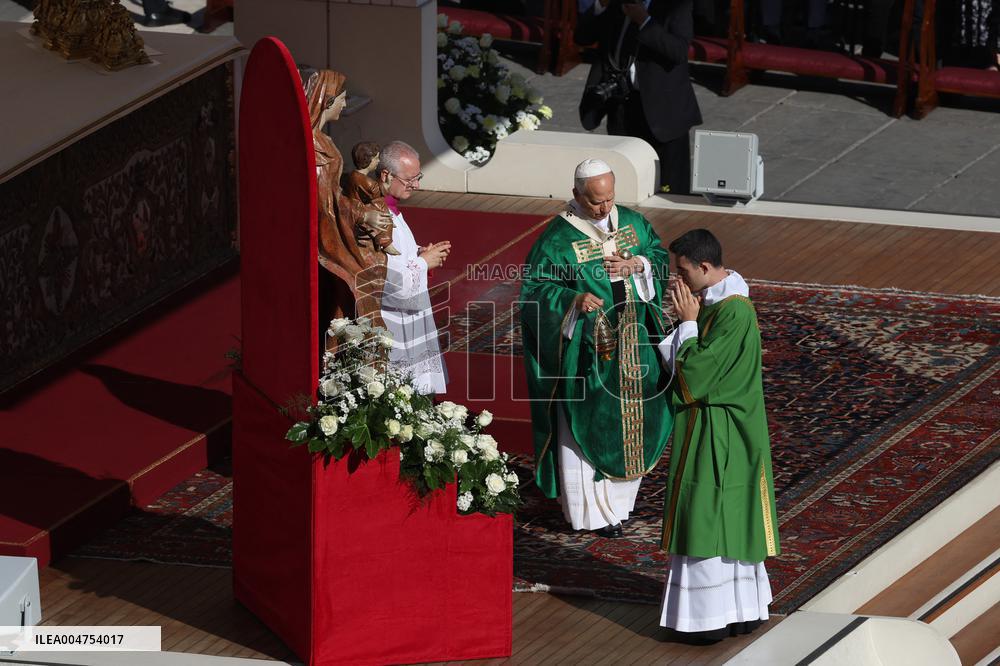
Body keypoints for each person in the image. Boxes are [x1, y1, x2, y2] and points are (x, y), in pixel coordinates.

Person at [521, 159, 673, 538]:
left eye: (609, 199)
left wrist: (638, 265)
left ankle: (621, 505)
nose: (605, 208)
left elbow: (658, 256)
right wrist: (573, 301)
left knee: (635, 420)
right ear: (576, 194)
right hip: (588, 351)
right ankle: (591, 514)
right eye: (595, 202)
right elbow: (536, 291)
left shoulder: (633, 223)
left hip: (635, 341)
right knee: (589, 425)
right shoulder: (557, 240)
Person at [656, 228, 779, 643]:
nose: (678, 279)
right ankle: (736, 610)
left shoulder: (734, 312)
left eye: (682, 271)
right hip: (715, 424)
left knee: (707, 514)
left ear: (705, 267)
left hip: (722, 430)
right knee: (722, 515)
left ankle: (707, 620)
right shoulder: (713, 301)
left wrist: (688, 324)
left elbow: (696, 375)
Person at [575, 0, 702, 195]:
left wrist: (645, 21)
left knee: (670, 189)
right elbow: (582, 37)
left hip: (663, 113)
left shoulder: (676, 5)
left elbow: (678, 51)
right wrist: (600, 5)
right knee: (626, 182)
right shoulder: (615, 4)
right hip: (622, 104)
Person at [374, 141, 450, 394]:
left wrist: (419, 253)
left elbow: (397, 255)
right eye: (410, 179)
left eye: (418, 177)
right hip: (392, 321)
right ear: (386, 175)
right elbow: (392, 283)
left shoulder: (391, 210)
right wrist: (424, 262)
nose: (416, 185)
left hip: (407, 316)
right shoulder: (376, 218)